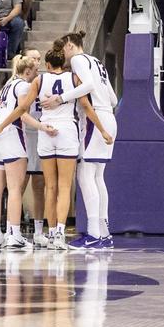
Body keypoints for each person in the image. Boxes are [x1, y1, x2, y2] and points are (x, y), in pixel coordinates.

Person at [42, 31, 118, 250]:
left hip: (95, 119)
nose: (63, 54)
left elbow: (88, 87)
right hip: (108, 116)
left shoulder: (77, 59)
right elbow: (112, 98)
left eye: (63, 48)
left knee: (85, 175)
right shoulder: (97, 61)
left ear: (69, 45)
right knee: (98, 177)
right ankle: (104, 233)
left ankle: (94, 234)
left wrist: (61, 98)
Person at [0, 54, 45, 249]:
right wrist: (42, 126)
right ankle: (15, 235)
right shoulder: (23, 86)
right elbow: (23, 113)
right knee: (14, 188)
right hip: (10, 133)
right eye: (35, 71)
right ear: (27, 71)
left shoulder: (5, 87)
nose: (36, 74)